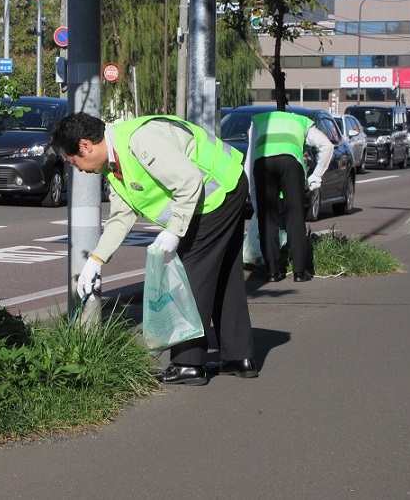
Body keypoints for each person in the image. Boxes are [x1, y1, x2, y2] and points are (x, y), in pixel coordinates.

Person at [51, 112, 257, 386]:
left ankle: (189, 364)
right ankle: (238, 358)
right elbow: (122, 216)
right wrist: (97, 259)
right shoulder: (114, 165)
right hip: (224, 187)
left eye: (74, 161)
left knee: (191, 271)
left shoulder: (140, 141)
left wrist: (174, 231)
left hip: (216, 193)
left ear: (86, 145)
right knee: (224, 272)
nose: (77, 168)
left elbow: (189, 182)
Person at [250, 111, 333, 283]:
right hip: (290, 163)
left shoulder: (259, 120)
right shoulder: (302, 122)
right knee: (295, 216)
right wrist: (316, 176)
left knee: (267, 218)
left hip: (262, 163)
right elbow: (327, 146)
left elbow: (250, 158)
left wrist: (253, 195)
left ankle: (272, 272)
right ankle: (300, 273)